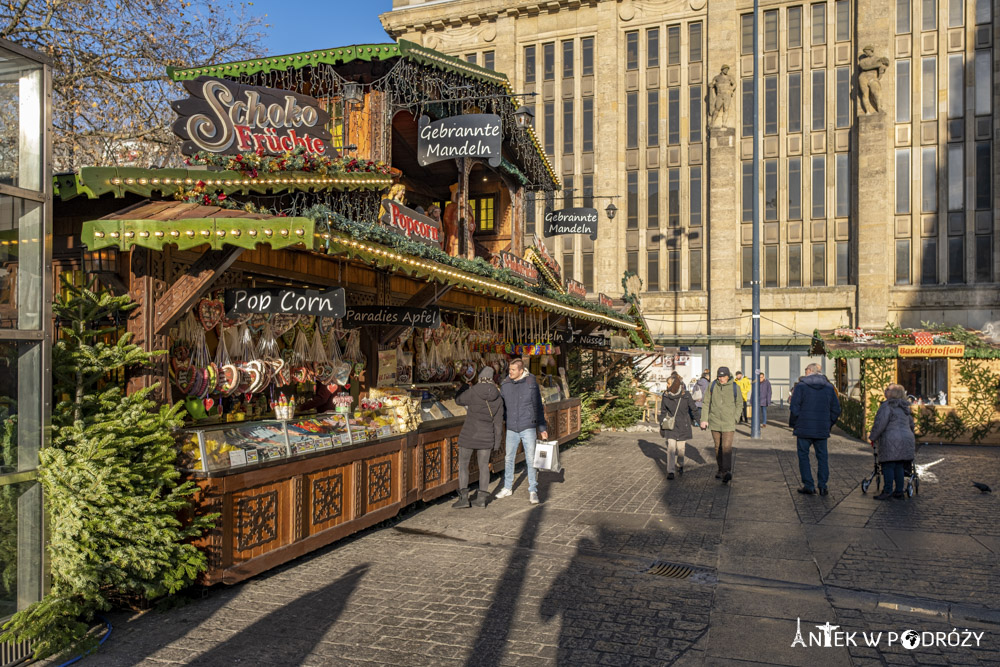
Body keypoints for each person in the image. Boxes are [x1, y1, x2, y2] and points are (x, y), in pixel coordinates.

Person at [495, 358, 549, 504]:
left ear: (521, 370)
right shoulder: (505, 385)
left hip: (528, 426)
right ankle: (507, 487)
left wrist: (542, 428)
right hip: (512, 427)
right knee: (509, 458)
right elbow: (502, 407)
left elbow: (538, 407)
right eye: (509, 370)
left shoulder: (531, 384)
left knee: (531, 459)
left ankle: (533, 490)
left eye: (513, 370)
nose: (510, 372)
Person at [453, 367, 505, 508]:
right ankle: (481, 499)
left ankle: (463, 499)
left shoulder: (473, 391)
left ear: (480, 377)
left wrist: (464, 386)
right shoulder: (498, 397)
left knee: (463, 465)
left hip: (469, 434)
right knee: (484, 467)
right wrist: (497, 443)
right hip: (487, 437)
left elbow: (458, 400)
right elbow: (498, 424)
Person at [789, 363, 841, 496]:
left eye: (806, 369)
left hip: (804, 429)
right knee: (822, 457)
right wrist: (828, 424)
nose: (805, 371)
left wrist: (796, 423)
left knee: (803, 456)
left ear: (810, 371)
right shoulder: (829, 387)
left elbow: (794, 408)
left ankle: (809, 485)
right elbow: (836, 409)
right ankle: (823, 486)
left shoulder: (800, 386)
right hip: (821, 429)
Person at [867, 384, 916, 501]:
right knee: (898, 465)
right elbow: (911, 425)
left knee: (888, 465)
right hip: (906, 439)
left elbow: (880, 424)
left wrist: (873, 437)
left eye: (888, 390)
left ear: (893, 393)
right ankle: (899, 491)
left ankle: (887, 490)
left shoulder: (887, 406)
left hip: (891, 440)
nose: (885, 391)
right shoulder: (905, 407)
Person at [700, 366, 743, 484]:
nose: (721, 379)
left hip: (729, 423)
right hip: (714, 421)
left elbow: (739, 403)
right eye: (719, 376)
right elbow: (706, 403)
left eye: (723, 377)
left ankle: (726, 471)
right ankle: (720, 469)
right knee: (717, 447)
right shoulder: (712, 386)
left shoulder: (735, 387)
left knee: (726, 447)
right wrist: (704, 419)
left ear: (728, 376)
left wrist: (735, 418)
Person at [658, 372, 697, 480]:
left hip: (683, 424)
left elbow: (693, 409)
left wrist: (699, 420)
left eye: (669, 383)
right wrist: (661, 424)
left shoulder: (686, 395)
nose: (667, 386)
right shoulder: (665, 395)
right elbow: (663, 412)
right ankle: (670, 471)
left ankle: (680, 464)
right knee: (671, 447)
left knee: (681, 449)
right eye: (667, 384)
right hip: (671, 424)